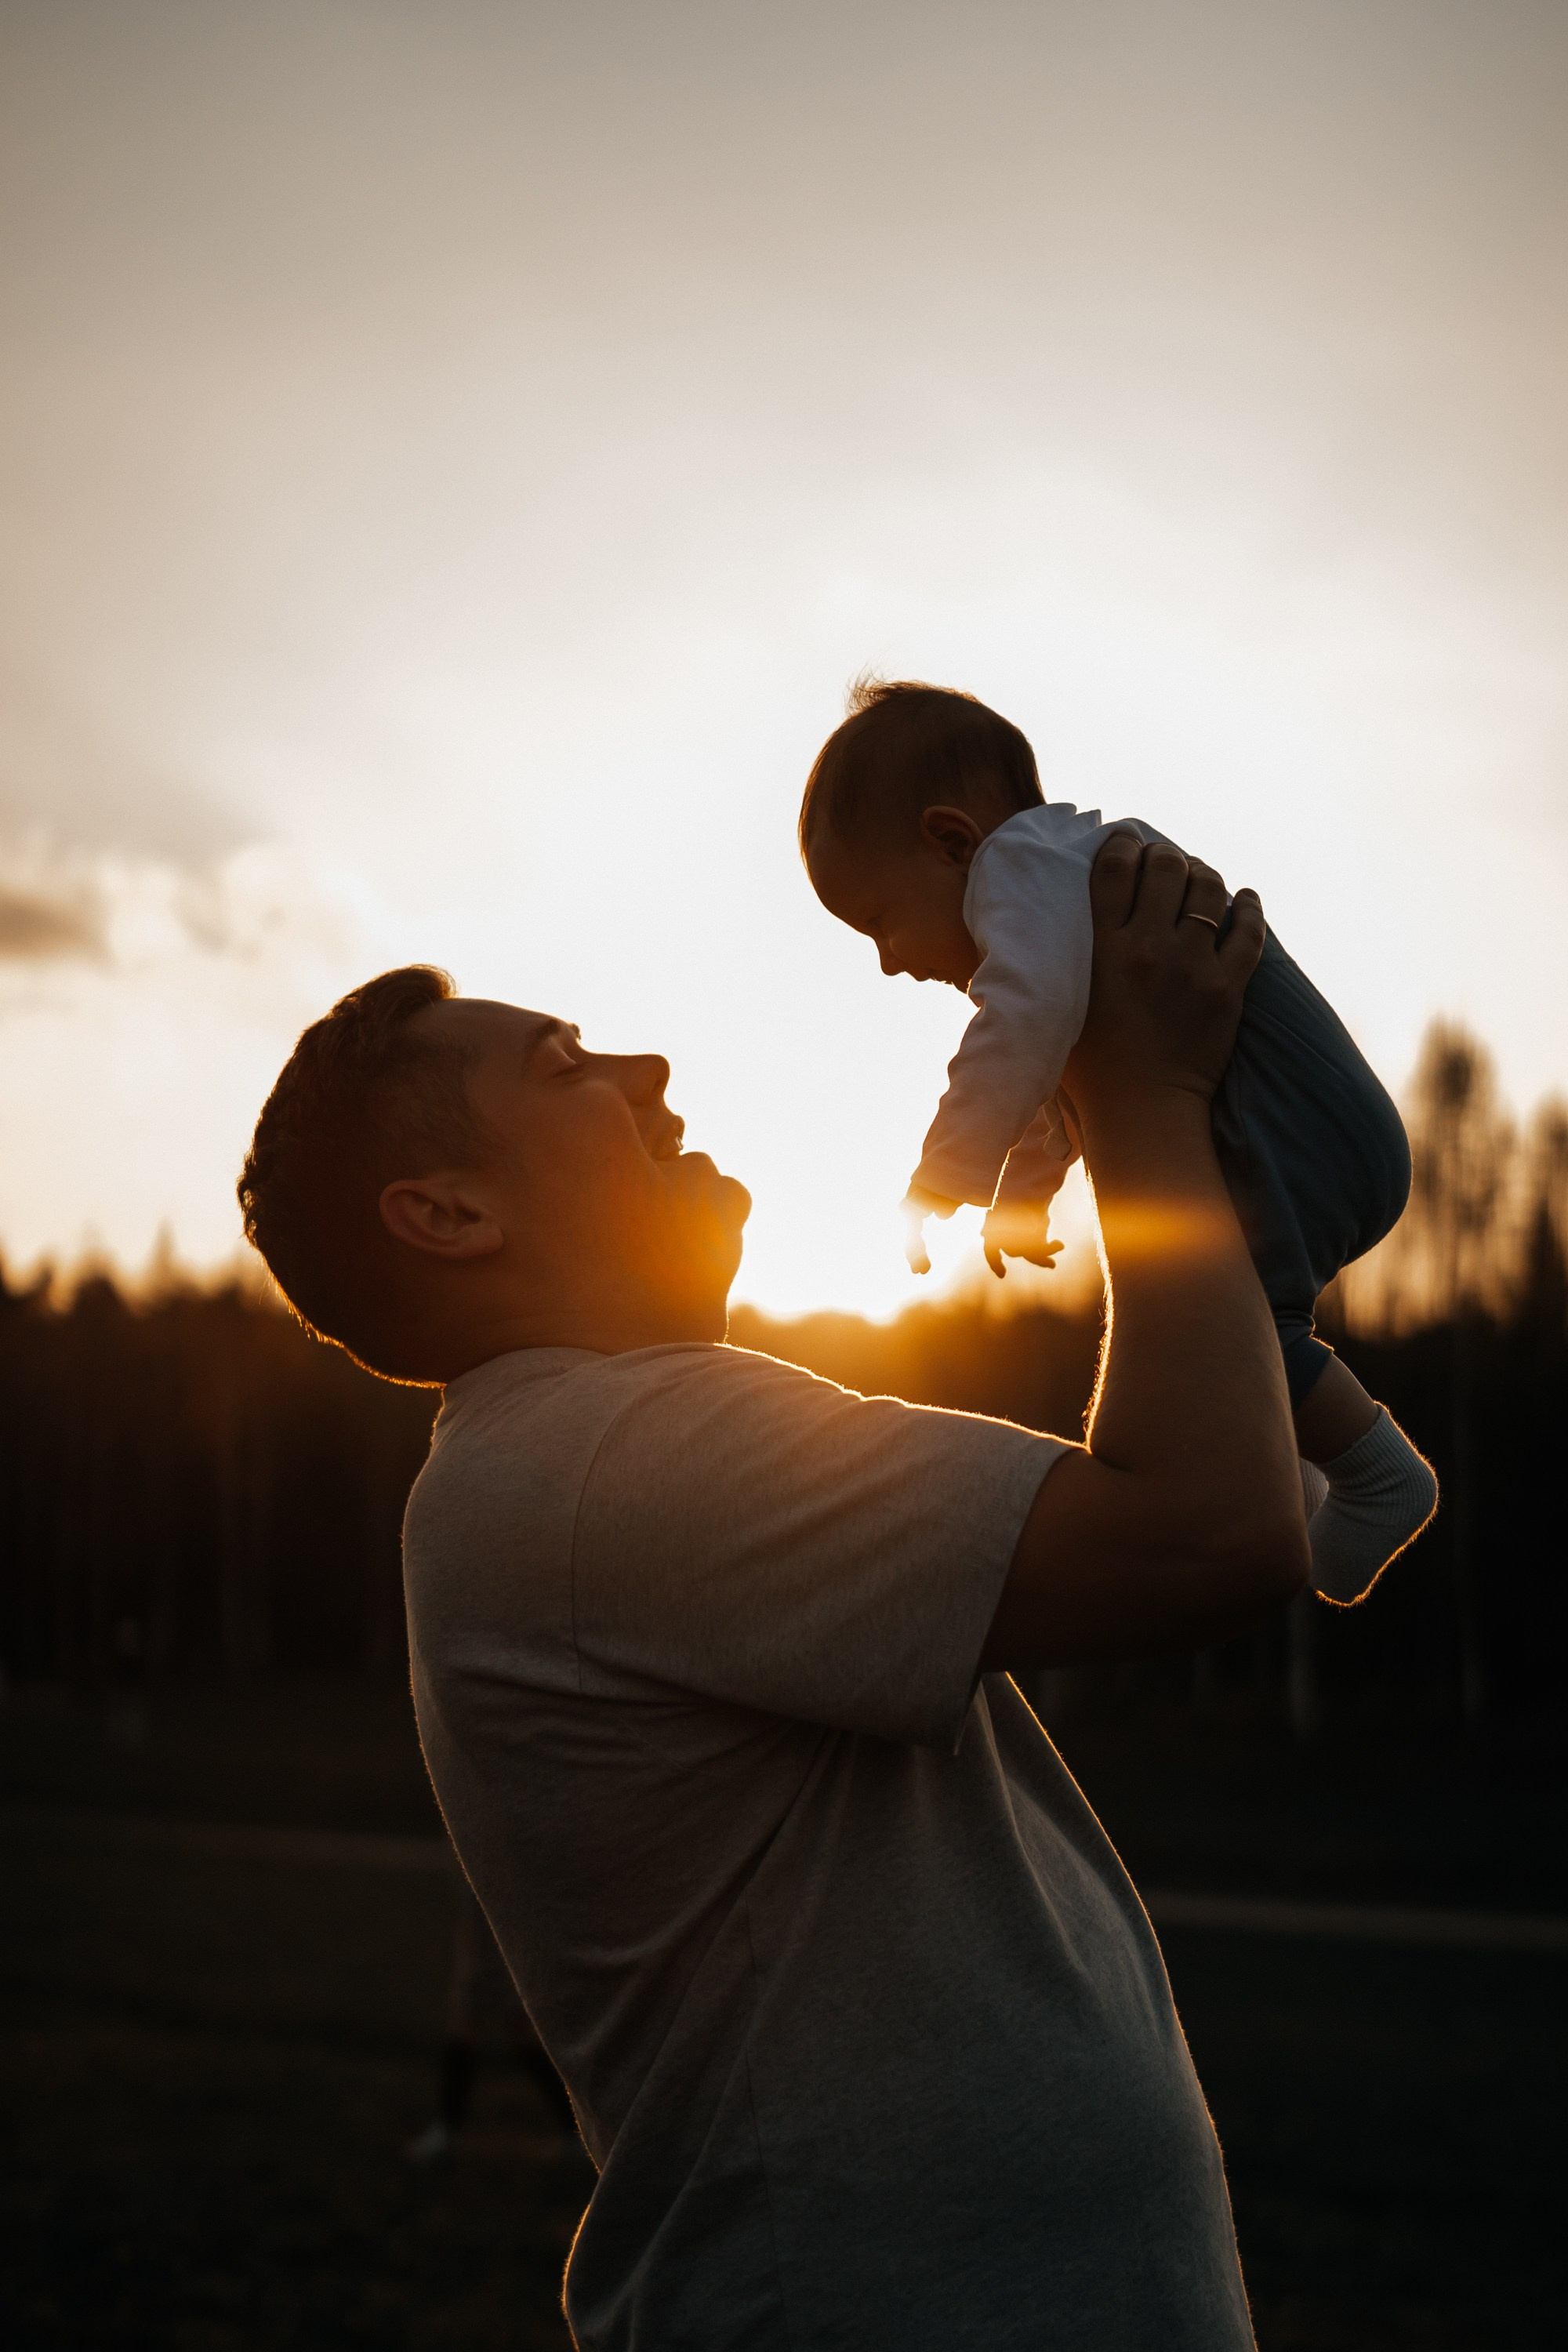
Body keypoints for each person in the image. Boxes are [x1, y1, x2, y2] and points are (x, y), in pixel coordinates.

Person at [236, 837, 1308, 2350]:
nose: (648, 1068)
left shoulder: (584, 1458)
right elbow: (1208, 1526)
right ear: (453, 1216)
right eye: (564, 1066)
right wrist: (1146, 1098)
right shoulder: (598, 1459)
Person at [800, 677, 1438, 1606]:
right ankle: (1293, 1470)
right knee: (1231, 1324)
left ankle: (1379, 1477)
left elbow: (1022, 1025)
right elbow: (1062, 1076)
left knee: (1239, 1320)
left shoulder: (1018, 869)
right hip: (1320, 1129)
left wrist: (944, 1172)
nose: (889, 962)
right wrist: (1019, 1201)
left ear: (951, 842)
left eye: (877, 923)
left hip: (1305, 1131)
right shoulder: (1065, 886)